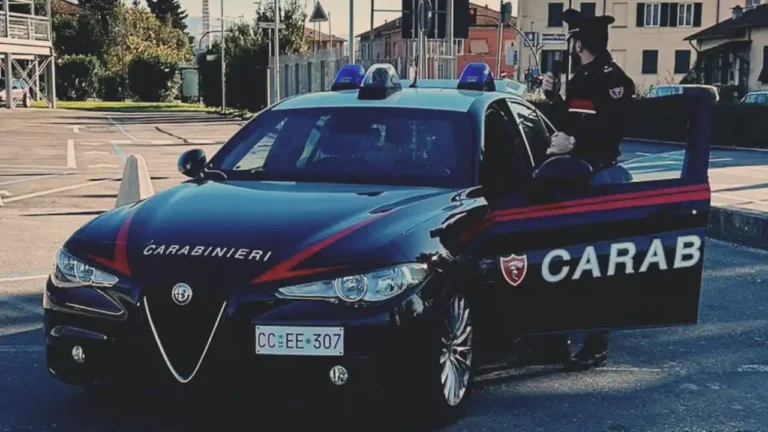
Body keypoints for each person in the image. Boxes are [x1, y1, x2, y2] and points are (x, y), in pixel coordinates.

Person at [539, 8, 636, 371]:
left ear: (578, 43)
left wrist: (575, 142)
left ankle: (596, 343)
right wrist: (553, 99)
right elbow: (572, 122)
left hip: (598, 178)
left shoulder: (613, 79)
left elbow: (613, 129)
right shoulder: (583, 77)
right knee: (564, 262)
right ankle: (557, 338)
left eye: (572, 41)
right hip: (574, 176)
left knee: (594, 263)